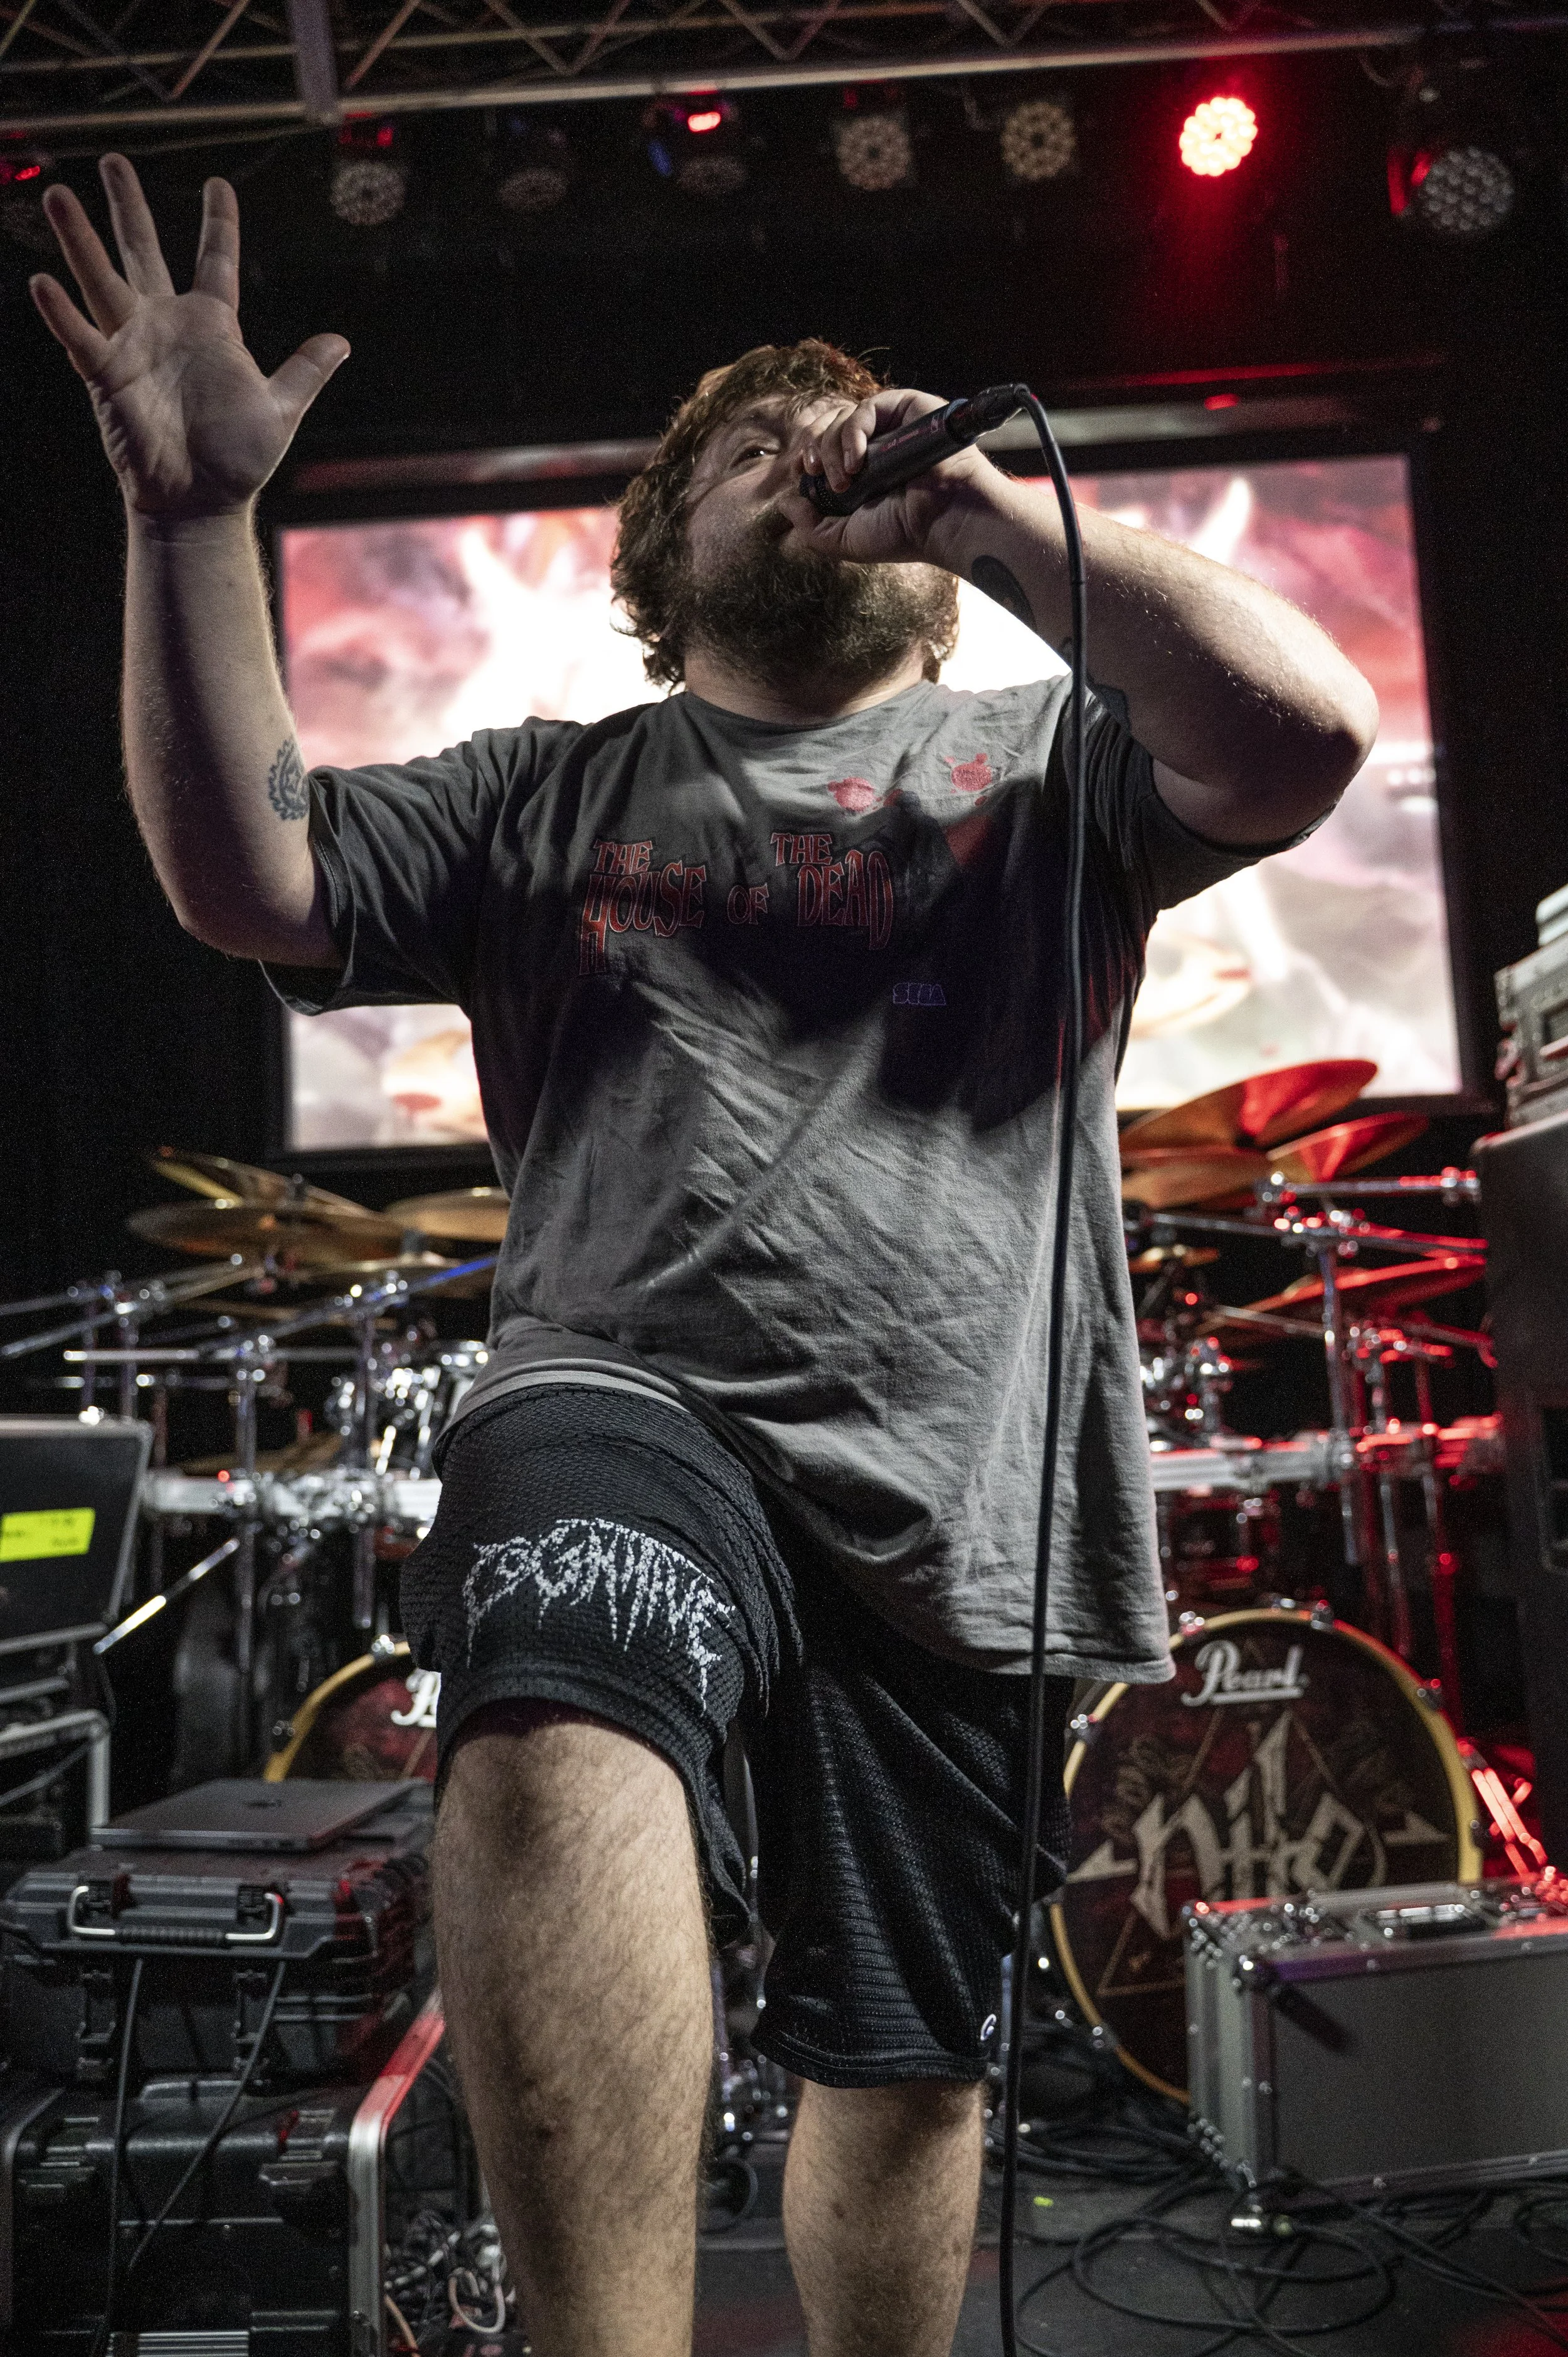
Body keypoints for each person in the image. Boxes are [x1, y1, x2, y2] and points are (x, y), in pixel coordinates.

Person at [34, 157, 1377, 2357]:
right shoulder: (545, 789)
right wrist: (189, 526)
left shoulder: (1044, 766)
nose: (813, 447)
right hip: (626, 1400)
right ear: (662, 557)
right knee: (554, 1685)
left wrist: (990, 526)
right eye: (752, 441)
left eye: (844, 423)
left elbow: (1303, 732)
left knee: (905, 2052)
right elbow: (248, 876)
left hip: (964, 1483)